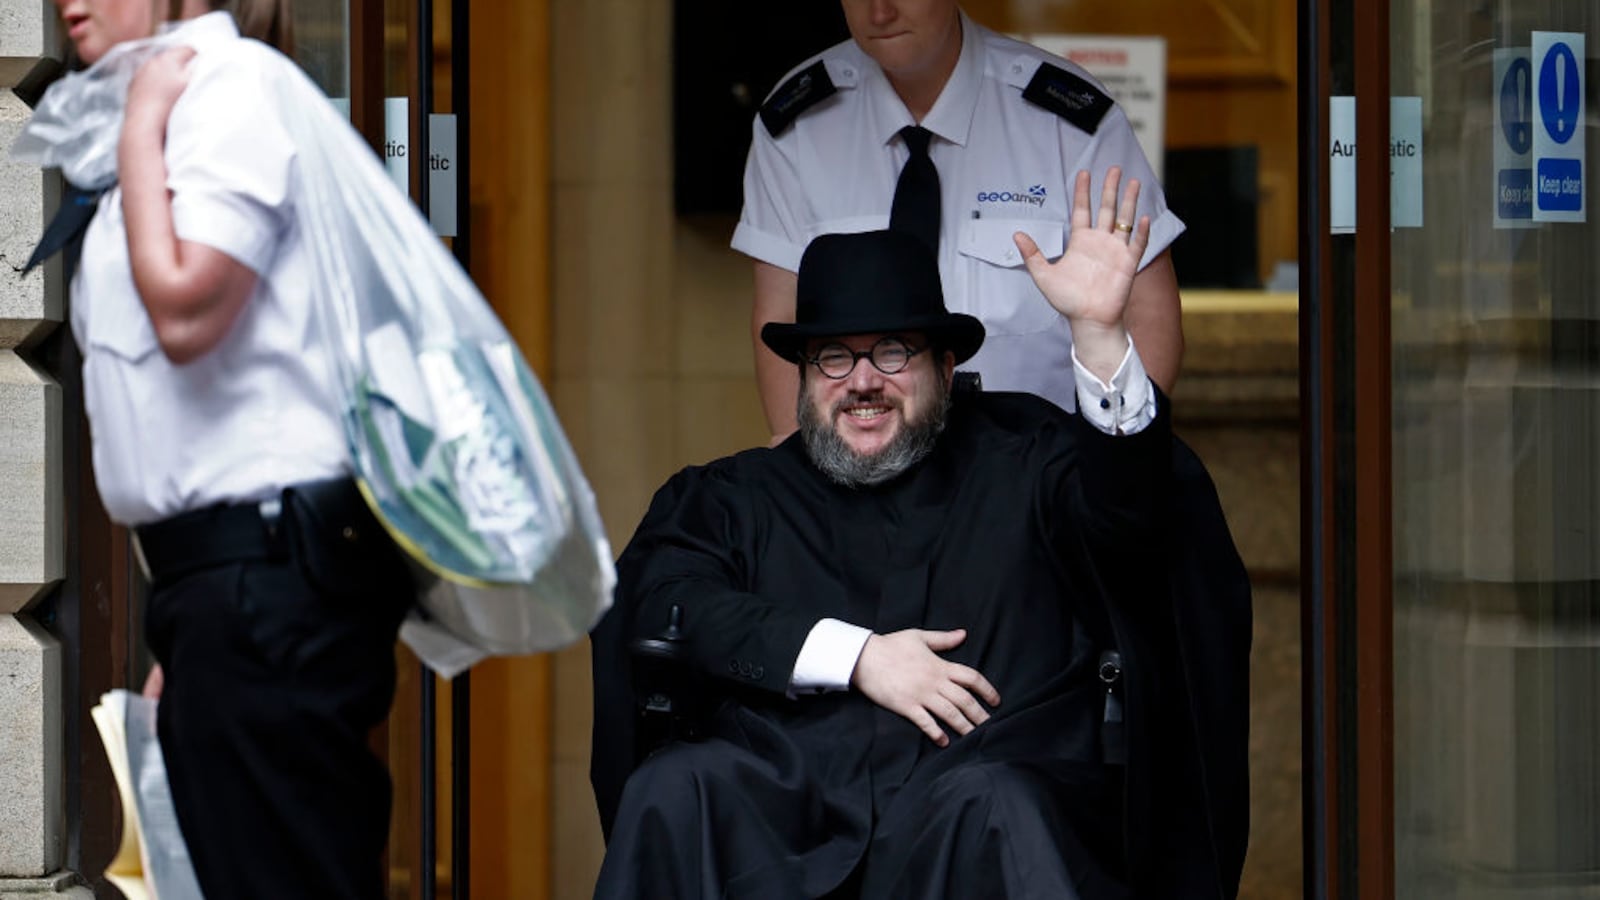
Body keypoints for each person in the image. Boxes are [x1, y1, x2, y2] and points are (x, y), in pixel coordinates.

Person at [591, 172, 1247, 898]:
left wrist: (1098, 336)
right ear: (804, 376)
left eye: (893, 351)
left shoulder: (1028, 462)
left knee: (1005, 805)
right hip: (777, 825)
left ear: (946, 363)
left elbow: (1133, 514)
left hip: (976, 815)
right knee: (675, 784)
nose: (862, 381)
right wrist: (856, 657)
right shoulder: (734, 498)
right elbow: (662, 603)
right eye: (833, 356)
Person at [40, 1, 413, 897]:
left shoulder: (230, 88)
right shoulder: (184, 102)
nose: (66, 2)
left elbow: (186, 308)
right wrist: (187, 631)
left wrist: (138, 134)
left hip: (267, 587)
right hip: (223, 595)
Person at [734, 0, 1186, 438]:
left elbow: (1148, 311)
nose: (880, 11)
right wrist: (803, 475)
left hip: (1041, 468)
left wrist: (1111, 462)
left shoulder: (1065, 122)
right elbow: (781, 316)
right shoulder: (798, 126)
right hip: (858, 474)